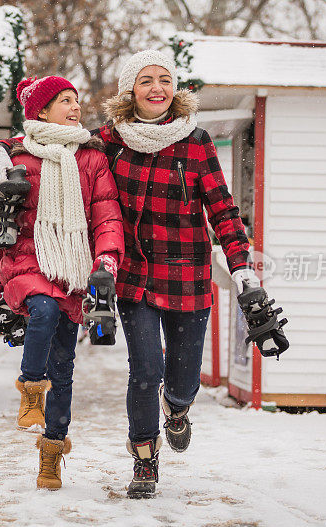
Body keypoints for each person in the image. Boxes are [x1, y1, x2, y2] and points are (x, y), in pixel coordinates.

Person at [93, 49, 265, 499]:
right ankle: (145, 459)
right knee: (146, 370)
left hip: (188, 275)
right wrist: (6, 152)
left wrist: (242, 266)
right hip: (134, 277)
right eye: (146, 80)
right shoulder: (108, 141)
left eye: (164, 80)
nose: (157, 88)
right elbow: (54, 148)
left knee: (183, 379)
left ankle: (178, 409)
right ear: (131, 91)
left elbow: (223, 211)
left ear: (176, 88)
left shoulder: (196, 141)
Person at [0, 76, 124, 490]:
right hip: (27, 260)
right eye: (64, 100)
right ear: (41, 111)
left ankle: (51, 453)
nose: (75, 107)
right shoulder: (17, 156)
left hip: (73, 268)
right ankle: (28, 390)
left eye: (76, 101)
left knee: (63, 367)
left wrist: (105, 260)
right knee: (41, 309)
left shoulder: (92, 159)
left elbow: (106, 215)